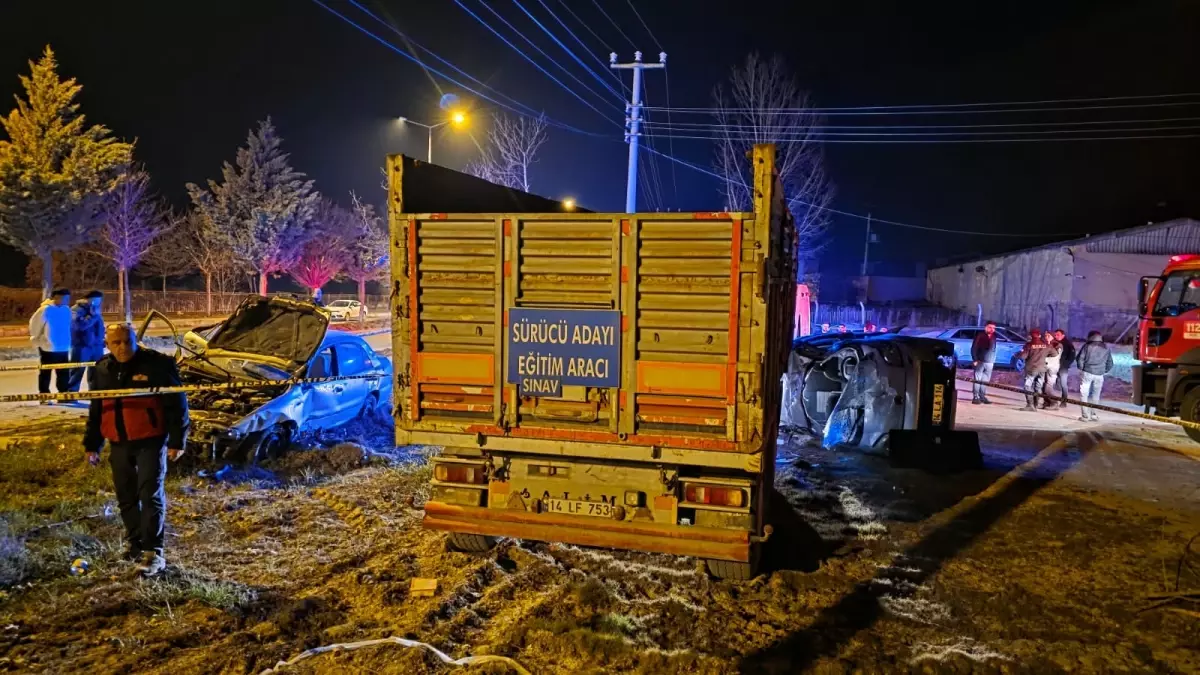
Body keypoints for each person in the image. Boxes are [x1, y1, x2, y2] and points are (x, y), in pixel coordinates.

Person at [83, 324, 189, 577]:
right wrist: (92, 444)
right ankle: (135, 544)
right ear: (107, 344)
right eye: (116, 343)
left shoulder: (157, 364)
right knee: (126, 496)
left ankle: (153, 552)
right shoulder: (101, 369)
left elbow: (177, 403)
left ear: (135, 340)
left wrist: (177, 440)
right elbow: (97, 409)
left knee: (150, 495)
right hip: (118, 443)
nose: (122, 347)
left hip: (150, 441)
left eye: (127, 341)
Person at [29, 288, 73, 400]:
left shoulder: (66, 310)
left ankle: (63, 394)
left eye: (68, 298)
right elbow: (34, 326)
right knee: (46, 372)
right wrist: (39, 340)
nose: (67, 300)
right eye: (65, 298)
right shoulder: (45, 310)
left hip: (63, 347)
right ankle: (44, 395)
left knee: (63, 372)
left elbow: (68, 326)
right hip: (48, 347)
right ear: (56, 297)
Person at [67, 290, 106, 392]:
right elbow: (79, 326)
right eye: (96, 300)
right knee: (76, 372)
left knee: (96, 373)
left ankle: (95, 394)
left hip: (96, 346)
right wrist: (93, 316)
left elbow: (100, 327)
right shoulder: (76, 310)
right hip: (82, 346)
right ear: (88, 299)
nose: (98, 302)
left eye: (99, 300)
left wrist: (101, 340)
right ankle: (71, 394)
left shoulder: (95, 309)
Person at [1075, 330, 1115, 422]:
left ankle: (1085, 416)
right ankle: (1094, 415)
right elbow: (1110, 363)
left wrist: (1081, 368)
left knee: (1084, 394)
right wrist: (1103, 370)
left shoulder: (1087, 346)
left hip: (1087, 372)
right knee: (1096, 395)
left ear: (1090, 337)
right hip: (1099, 375)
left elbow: (1079, 359)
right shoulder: (1106, 347)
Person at [1015, 328, 1059, 411]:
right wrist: (1045, 355)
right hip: (1042, 369)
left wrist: (1018, 354)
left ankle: (1030, 405)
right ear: (1039, 335)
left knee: (1027, 386)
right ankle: (1036, 404)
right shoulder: (1046, 345)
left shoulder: (1028, 345)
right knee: (1038, 386)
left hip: (1031, 368)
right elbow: (1055, 354)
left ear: (1030, 336)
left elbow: (1023, 356)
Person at [970, 321, 999, 405]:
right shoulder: (980, 335)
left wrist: (993, 360)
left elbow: (993, 349)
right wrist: (975, 359)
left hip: (990, 362)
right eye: (990, 327)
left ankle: (982, 396)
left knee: (985, 380)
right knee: (977, 380)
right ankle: (976, 397)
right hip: (980, 361)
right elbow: (974, 348)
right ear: (986, 327)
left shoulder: (994, 336)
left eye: (993, 328)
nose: (992, 329)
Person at [1051, 328, 1076, 409]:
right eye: (1055, 335)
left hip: (1063, 368)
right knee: (1050, 383)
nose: (1056, 336)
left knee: (1063, 384)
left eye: (1058, 335)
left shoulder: (1068, 344)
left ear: (1063, 335)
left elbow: (1072, 356)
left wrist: (1065, 365)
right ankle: (1050, 401)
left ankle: (1064, 401)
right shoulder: (1054, 343)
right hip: (1053, 366)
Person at [1041, 330, 1062, 410]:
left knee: (1048, 386)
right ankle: (1047, 402)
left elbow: (1056, 356)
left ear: (1052, 337)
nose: (1046, 337)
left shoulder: (1057, 345)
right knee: (1043, 385)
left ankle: (1054, 402)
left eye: (1048, 336)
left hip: (1053, 367)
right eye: (1045, 336)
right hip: (1045, 366)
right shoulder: (1044, 344)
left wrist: (1045, 358)